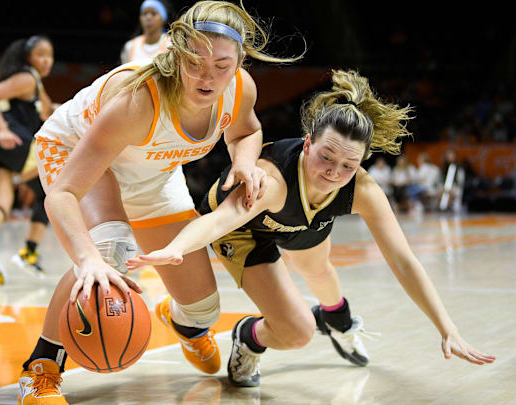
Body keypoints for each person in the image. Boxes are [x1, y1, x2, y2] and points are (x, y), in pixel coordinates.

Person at [127, 70, 496, 389]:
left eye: (348, 165)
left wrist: (447, 327)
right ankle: (249, 338)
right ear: (308, 143)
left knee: (319, 269)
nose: (334, 172)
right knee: (298, 332)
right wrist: (176, 247)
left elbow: (403, 261)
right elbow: (220, 220)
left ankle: (338, 318)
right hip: (243, 228)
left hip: (297, 218)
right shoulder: (270, 183)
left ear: (362, 162)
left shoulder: (362, 188)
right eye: (326, 157)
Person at [17, 2, 303, 404]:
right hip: (75, 153)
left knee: (204, 310)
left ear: (239, 61)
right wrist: (87, 259)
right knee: (109, 253)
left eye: (222, 65)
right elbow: (63, 194)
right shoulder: (138, 100)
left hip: (151, 171)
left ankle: (184, 325)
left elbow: (246, 131)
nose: (208, 77)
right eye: (194, 62)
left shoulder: (239, 88)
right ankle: (42, 368)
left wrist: (243, 163)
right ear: (174, 53)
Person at [0, 35, 57, 284]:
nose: (46, 60)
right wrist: (2, 129)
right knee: (51, 192)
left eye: (49, 55)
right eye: (40, 54)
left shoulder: (34, 85)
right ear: (28, 58)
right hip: (13, 142)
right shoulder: (27, 78)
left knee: (0, 203)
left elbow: (46, 111)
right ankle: (29, 253)